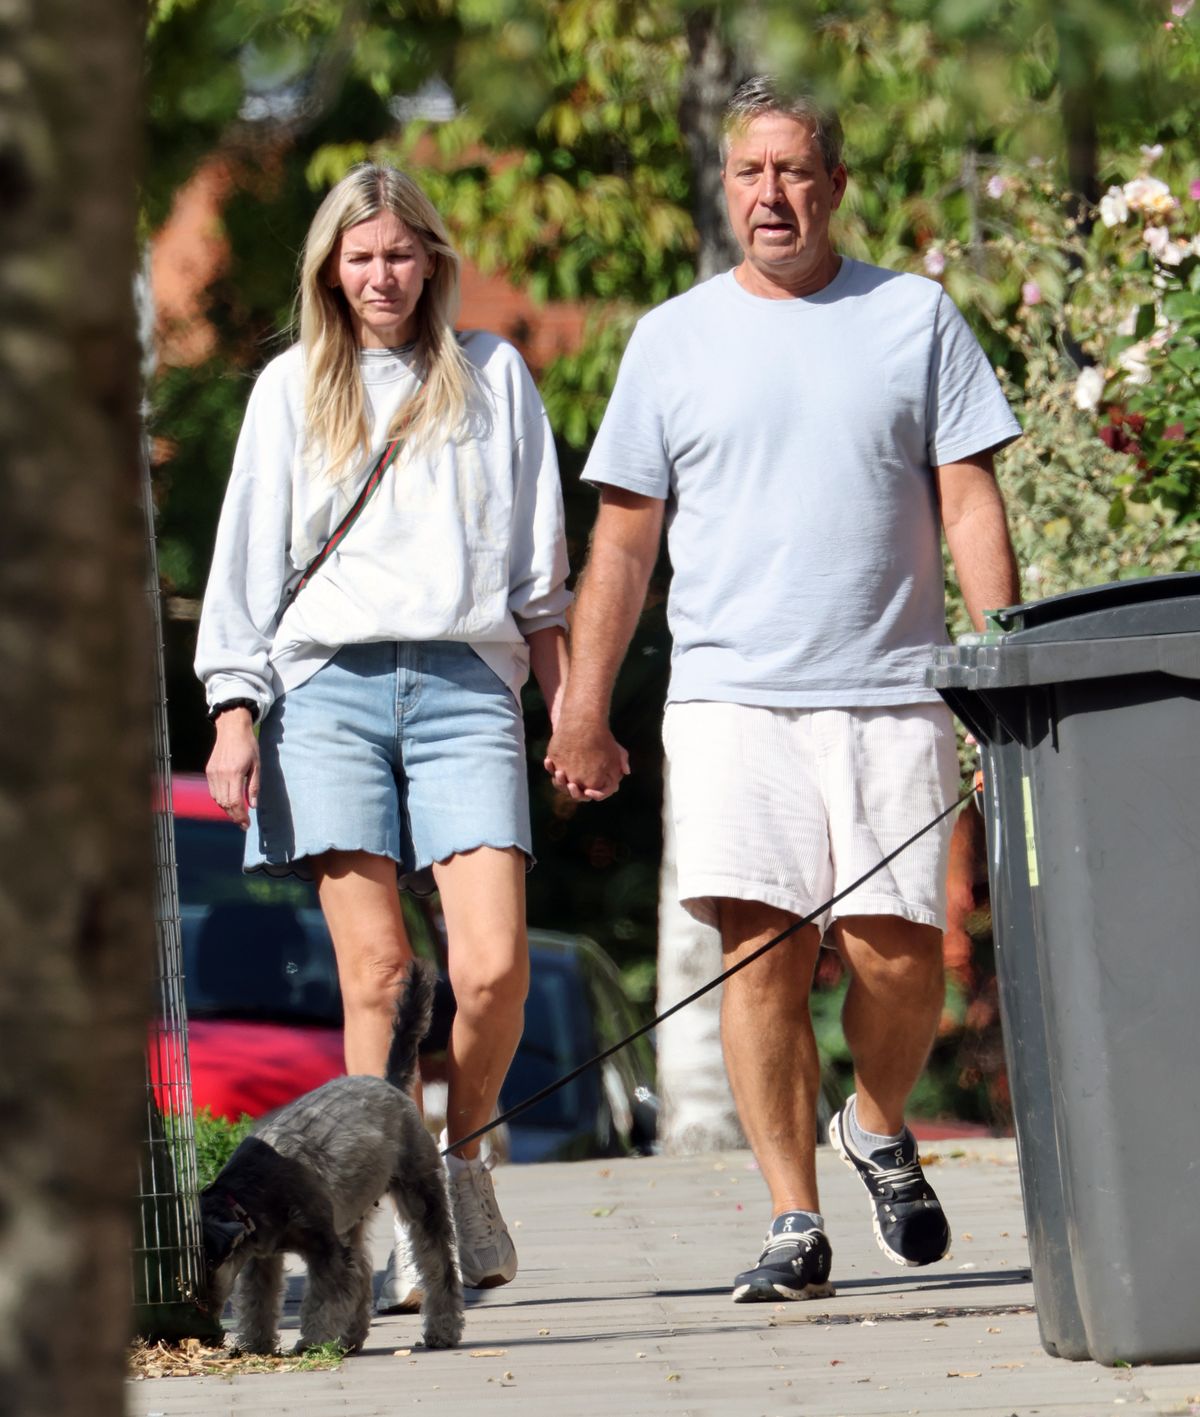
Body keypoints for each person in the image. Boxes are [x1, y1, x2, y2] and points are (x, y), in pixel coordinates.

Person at [545, 76, 1021, 1303]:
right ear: (727, 187)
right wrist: (583, 703)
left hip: (892, 688)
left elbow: (967, 496)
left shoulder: (914, 318)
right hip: (729, 697)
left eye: (794, 172)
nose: (772, 194)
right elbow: (625, 540)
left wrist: (1003, 652)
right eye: (750, 173)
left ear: (835, 187)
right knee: (762, 951)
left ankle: (873, 1121)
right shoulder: (672, 338)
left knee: (902, 957)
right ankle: (792, 1216)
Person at [195, 162, 572, 1309]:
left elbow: (540, 574)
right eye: (360, 257)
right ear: (329, 269)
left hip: (465, 681)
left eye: (400, 254)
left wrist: (574, 712)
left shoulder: (494, 377)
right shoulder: (290, 388)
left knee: (493, 964)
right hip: (327, 695)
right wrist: (234, 710)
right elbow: (246, 568)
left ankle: (457, 1163)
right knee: (379, 971)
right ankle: (373, 1231)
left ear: (433, 260)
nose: (382, 276)